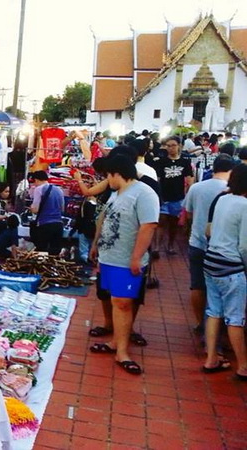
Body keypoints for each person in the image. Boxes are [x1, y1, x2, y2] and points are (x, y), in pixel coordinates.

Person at [90, 155, 159, 375]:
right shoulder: (116, 193)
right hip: (109, 258)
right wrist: (96, 245)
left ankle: (122, 352)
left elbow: (148, 226)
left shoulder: (144, 193)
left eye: (108, 175)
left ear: (116, 173)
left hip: (126, 261)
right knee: (116, 301)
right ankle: (115, 344)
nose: (107, 180)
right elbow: (105, 219)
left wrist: (136, 257)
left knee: (122, 303)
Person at [201, 163, 247, 379]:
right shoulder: (244, 205)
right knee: (235, 318)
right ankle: (243, 366)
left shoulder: (222, 199)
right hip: (231, 266)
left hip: (211, 261)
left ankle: (211, 358)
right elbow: (244, 246)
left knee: (213, 312)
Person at [183, 156, 234, 332]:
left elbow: (188, 213)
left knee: (197, 285)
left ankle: (200, 323)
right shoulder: (231, 192)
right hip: (223, 249)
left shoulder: (197, 188)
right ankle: (219, 327)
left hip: (197, 242)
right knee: (220, 291)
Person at [153, 136, 193, 255]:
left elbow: (189, 179)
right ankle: (157, 247)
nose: (170, 148)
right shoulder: (161, 162)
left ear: (179, 146)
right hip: (164, 196)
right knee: (161, 221)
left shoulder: (185, 162)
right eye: (168, 146)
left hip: (178, 197)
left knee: (173, 223)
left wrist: (187, 194)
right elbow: (158, 180)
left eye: (173, 145)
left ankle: (170, 245)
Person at [29, 171, 64, 255]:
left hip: (45, 224)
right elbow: (62, 208)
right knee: (55, 251)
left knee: (42, 251)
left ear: (36, 180)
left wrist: (31, 208)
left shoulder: (39, 189)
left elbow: (35, 209)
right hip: (59, 225)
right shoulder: (59, 190)